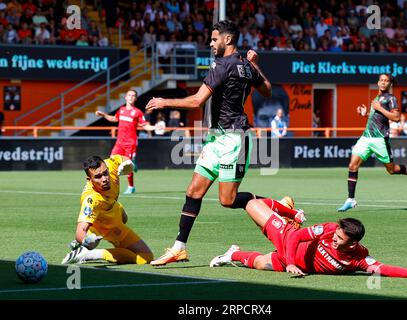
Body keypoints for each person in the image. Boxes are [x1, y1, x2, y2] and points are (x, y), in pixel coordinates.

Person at [145, 20, 272, 266]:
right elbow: (266, 89)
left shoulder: (222, 65)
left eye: (214, 39)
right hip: (217, 138)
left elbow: (196, 101)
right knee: (193, 191)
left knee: (227, 200)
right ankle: (179, 248)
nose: (211, 43)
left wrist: (164, 102)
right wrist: (255, 65)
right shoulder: (245, 64)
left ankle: (278, 207)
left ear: (227, 40)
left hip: (236, 139)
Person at [210, 199, 407, 280]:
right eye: (336, 234)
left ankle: (232, 253)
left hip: (295, 265)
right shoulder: (329, 229)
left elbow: (384, 268)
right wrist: (290, 261)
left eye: (340, 238)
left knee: (260, 263)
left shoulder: (359, 258)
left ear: (352, 243)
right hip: (288, 240)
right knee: (251, 205)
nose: (334, 238)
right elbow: (297, 238)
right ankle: (292, 213)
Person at [337, 74, 407, 212]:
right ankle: (350, 199)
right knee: (352, 165)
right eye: (381, 80)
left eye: (386, 81)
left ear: (390, 84)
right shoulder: (376, 99)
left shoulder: (392, 99)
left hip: (380, 139)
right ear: (378, 82)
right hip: (366, 137)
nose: (383, 82)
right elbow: (377, 117)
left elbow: (396, 118)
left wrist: (379, 108)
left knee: (391, 170)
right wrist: (366, 113)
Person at [61, 155, 154, 265]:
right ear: (89, 180)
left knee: (124, 218)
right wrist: (86, 241)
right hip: (104, 224)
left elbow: (121, 158)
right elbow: (80, 231)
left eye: (105, 173)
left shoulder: (110, 165)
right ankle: (89, 253)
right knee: (144, 258)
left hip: (112, 208)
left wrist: (128, 164)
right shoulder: (91, 199)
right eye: (98, 177)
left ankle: (81, 244)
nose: (104, 179)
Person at [96, 90, 154, 194]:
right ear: (125, 97)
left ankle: (131, 187)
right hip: (119, 143)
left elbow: (145, 125)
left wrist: (155, 127)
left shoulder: (138, 112)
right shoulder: (121, 110)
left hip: (130, 143)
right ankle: (112, 186)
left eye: (133, 95)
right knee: (110, 163)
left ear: (135, 99)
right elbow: (114, 118)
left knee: (127, 166)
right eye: (129, 95)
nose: (131, 97)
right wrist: (103, 115)